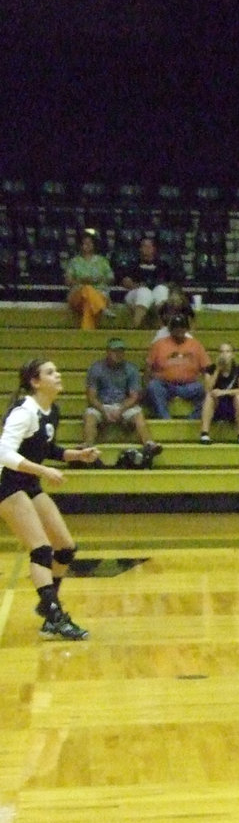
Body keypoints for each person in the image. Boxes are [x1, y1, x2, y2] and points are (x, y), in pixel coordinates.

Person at [0, 359, 101, 640]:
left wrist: (75, 455)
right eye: (50, 372)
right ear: (35, 382)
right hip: (6, 484)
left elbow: (46, 448)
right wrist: (44, 470)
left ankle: (48, 607)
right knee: (41, 549)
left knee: (65, 548)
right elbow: (4, 454)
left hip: (28, 483)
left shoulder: (51, 411)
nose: (58, 375)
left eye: (57, 370)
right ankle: (55, 616)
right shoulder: (24, 412)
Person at [82, 337, 161, 456]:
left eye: (121, 351)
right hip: (102, 404)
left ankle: (149, 443)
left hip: (124, 404)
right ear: (108, 352)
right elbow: (91, 397)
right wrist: (103, 410)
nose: (118, 354)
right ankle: (88, 445)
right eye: (115, 351)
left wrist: (121, 409)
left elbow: (134, 396)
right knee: (90, 415)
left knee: (138, 414)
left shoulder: (131, 369)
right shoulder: (96, 369)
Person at [144, 314, 211, 419]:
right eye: (176, 327)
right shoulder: (159, 344)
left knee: (207, 392)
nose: (179, 330)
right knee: (153, 386)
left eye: (182, 327)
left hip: (190, 386)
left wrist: (208, 385)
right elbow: (148, 367)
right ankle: (166, 421)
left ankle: (190, 422)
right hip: (165, 385)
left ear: (186, 329)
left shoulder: (196, 345)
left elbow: (207, 369)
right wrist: (147, 383)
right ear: (170, 329)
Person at [199, 343, 239, 444]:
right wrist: (217, 370)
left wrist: (223, 392)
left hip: (232, 405)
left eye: (227, 352)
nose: (224, 355)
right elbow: (208, 388)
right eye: (221, 352)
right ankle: (204, 434)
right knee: (209, 396)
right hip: (216, 405)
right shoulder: (210, 369)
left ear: (233, 355)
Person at [64, 228, 114, 330]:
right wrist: (81, 281)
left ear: (94, 245)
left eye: (89, 243)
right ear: (80, 245)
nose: (87, 245)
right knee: (86, 288)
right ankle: (102, 308)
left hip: (99, 293)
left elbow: (110, 278)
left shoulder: (102, 261)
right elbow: (68, 281)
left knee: (88, 305)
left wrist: (96, 280)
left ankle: (87, 333)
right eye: (84, 243)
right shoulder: (74, 261)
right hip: (78, 295)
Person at [118, 236, 172, 328]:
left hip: (156, 295)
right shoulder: (132, 264)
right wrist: (135, 285)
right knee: (144, 292)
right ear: (140, 249)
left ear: (154, 249)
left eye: (149, 246)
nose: (147, 249)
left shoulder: (163, 265)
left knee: (161, 289)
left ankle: (162, 328)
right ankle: (135, 327)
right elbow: (125, 281)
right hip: (136, 294)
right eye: (144, 246)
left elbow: (171, 283)